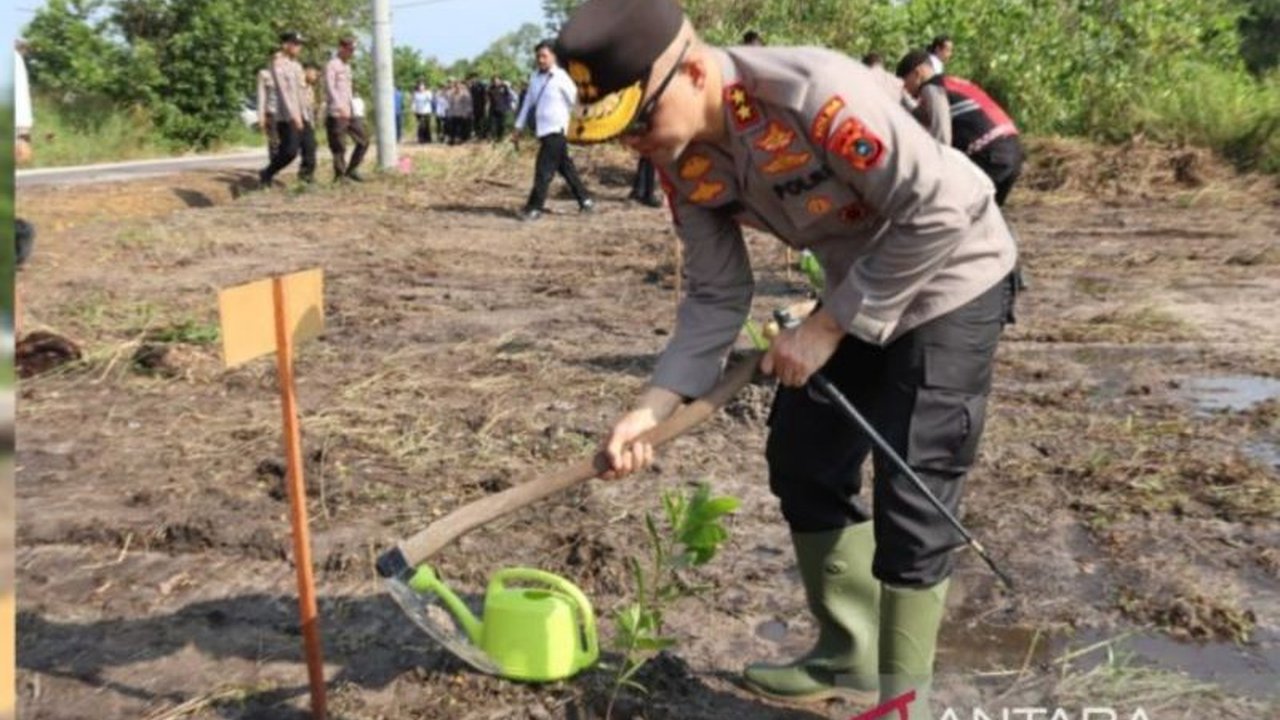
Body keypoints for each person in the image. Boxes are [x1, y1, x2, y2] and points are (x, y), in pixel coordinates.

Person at [555, 2, 1018, 718]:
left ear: (697, 70)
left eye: (640, 122)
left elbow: (947, 203)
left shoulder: (815, 94)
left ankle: (901, 702)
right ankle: (848, 654)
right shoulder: (682, 164)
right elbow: (715, 297)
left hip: (954, 277)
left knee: (912, 484)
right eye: (620, 134)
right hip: (855, 293)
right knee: (804, 459)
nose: (635, 146)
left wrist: (829, 325)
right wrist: (645, 412)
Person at [896, 50, 1023, 206]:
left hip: (989, 155)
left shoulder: (931, 88)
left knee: (958, 212)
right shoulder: (954, 83)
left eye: (905, 83)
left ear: (918, 72)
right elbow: (928, 115)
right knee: (986, 217)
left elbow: (942, 137)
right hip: (1012, 149)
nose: (907, 90)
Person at [512, 40, 594, 221]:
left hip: (556, 131)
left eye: (544, 56)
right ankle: (586, 201)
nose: (540, 60)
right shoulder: (534, 77)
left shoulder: (561, 78)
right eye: (538, 57)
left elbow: (576, 102)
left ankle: (534, 208)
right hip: (542, 130)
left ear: (553, 57)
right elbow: (527, 104)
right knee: (566, 168)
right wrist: (518, 127)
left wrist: (586, 124)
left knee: (543, 170)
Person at [259, 31, 316, 187]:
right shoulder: (278, 64)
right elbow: (285, 92)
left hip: (304, 113)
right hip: (287, 116)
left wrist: (308, 111)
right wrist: (294, 116)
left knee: (310, 147)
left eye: (300, 44)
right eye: (296, 44)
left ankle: (306, 179)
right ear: (286, 45)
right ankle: (267, 172)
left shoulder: (296, 65)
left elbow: (302, 90)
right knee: (290, 151)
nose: (299, 47)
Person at [325, 37, 370, 182]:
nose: (351, 53)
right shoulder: (332, 65)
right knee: (339, 146)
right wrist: (339, 106)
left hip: (350, 111)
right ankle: (340, 176)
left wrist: (353, 107)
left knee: (364, 140)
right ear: (341, 48)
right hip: (337, 112)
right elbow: (330, 87)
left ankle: (352, 169)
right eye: (349, 50)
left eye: (353, 50)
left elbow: (349, 91)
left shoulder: (347, 67)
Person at [255, 55, 280, 160]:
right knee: (274, 141)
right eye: (275, 58)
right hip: (272, 111)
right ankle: (273, 167)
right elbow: (261, 96)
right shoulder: (264, 74)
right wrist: (261, 116)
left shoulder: (289, 73)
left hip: (287, 113)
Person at [488, 76, 515, 141]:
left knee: (501, 125)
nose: (496, 82)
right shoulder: (490, 88)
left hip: (502, 109)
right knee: (493, 125)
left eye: (497, 80)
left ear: (500, 80)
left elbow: (509, 96)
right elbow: (489, 98)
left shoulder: (504, 87)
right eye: (494, 81)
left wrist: (510, 105)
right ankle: (493, 137)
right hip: (493, 109)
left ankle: (500, 138)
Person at [470, 74, 490, 140]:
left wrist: (485, 106)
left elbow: (485, 97)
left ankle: (483, 135)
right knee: (475, 122)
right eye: (472, 78)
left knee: (482, 122)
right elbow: (471, 98)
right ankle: (477, 135)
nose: (473, 79)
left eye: (474, 78)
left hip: (482, 107)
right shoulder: (472, 87)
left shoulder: (481, 86)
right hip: (474, 107)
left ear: (477, 78)